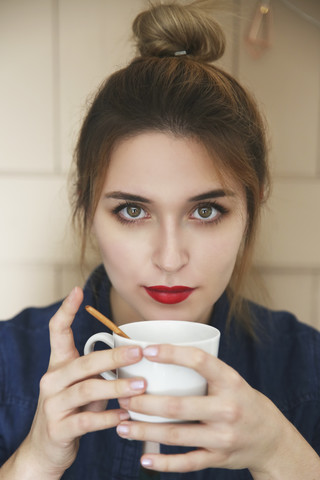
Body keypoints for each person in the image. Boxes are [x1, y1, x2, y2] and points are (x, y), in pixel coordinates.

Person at [0, 1, 319, 479]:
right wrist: (36, 460)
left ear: (251, 212)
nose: (170, 259)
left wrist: (279, 452)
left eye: (206, 211)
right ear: (87, 210)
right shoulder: (9, 365)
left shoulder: (306, 369)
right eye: (132, 211)